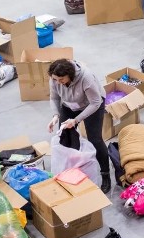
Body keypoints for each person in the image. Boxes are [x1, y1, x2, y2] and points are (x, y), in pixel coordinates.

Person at [47, 59, 111, 193]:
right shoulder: (55, 78)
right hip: (69, 104)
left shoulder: (86, 78)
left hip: (91, 104)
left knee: (95, 139)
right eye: (55, 79)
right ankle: (73, 171)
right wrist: (55, 115)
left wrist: (75, 120)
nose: (58, 82)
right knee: (65, 137)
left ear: (70, 75)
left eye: (61, 79)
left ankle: (105, 174)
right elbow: (54, 98)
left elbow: (95, 102)